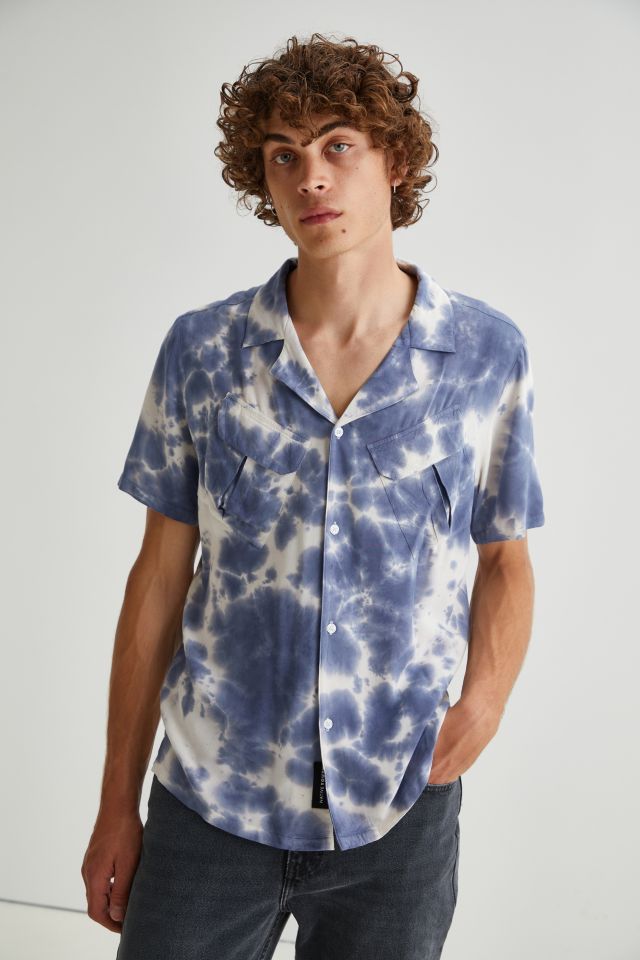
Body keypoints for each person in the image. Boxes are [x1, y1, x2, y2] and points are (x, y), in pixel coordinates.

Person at [81, 32, 545, 960]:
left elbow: (505, 559)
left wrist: (485, 702)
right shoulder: (203, 351)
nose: (312, 178)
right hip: (212, 801)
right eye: (283, 156)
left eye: (339, 145)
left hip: (399, 807)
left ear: (395, 160)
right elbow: (158, 579)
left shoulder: (486, 354)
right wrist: (115, 805)